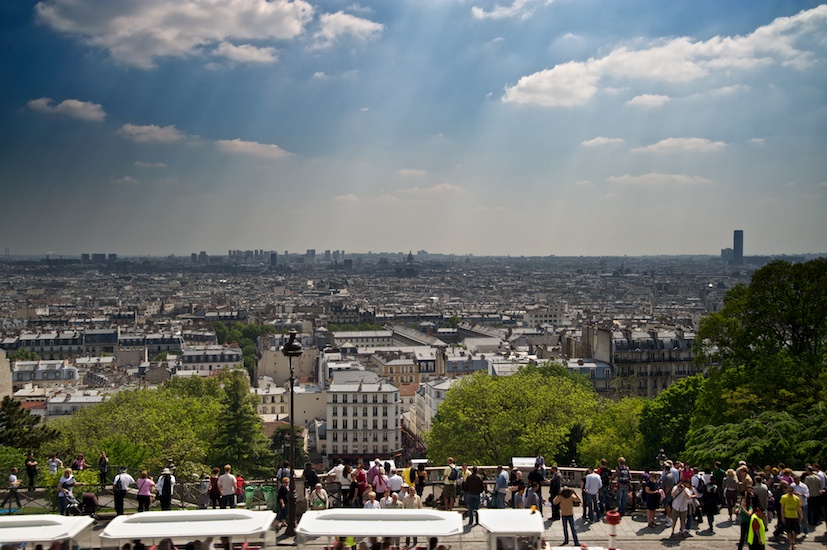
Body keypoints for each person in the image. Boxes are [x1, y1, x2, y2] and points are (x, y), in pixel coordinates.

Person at [779, 482, 802, 550]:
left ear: (793, 491)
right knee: (788, 531)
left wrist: (801, 516)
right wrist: (782, 517)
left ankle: (793, 541)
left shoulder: (797, 498)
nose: (790, 492)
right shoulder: (784, 497)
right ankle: (790, 543)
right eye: (789, 491)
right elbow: (782, 508)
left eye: (791, 491)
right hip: (787, 516)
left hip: (795, 516)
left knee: (796, 531)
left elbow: (799, 508)